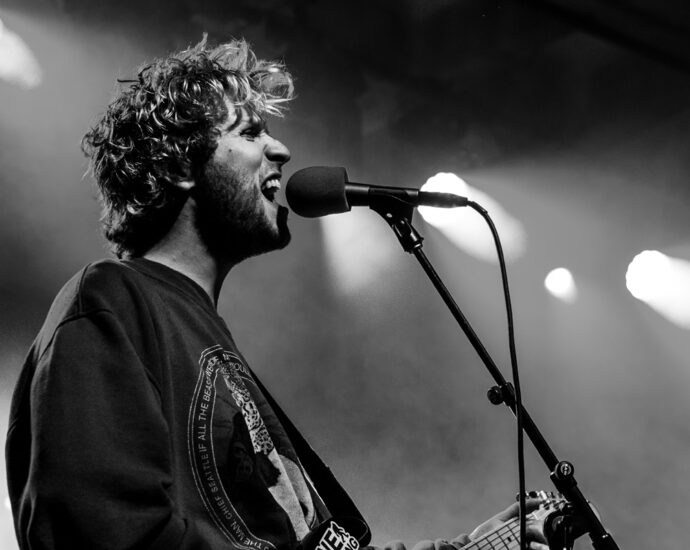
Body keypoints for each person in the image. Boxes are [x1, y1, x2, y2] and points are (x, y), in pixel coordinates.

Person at [5, 37, 549, 550]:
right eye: (249, 133)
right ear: (179, 164)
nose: (281, 150)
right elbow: (100, 529)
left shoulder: (204, 334)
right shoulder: (109, 301)